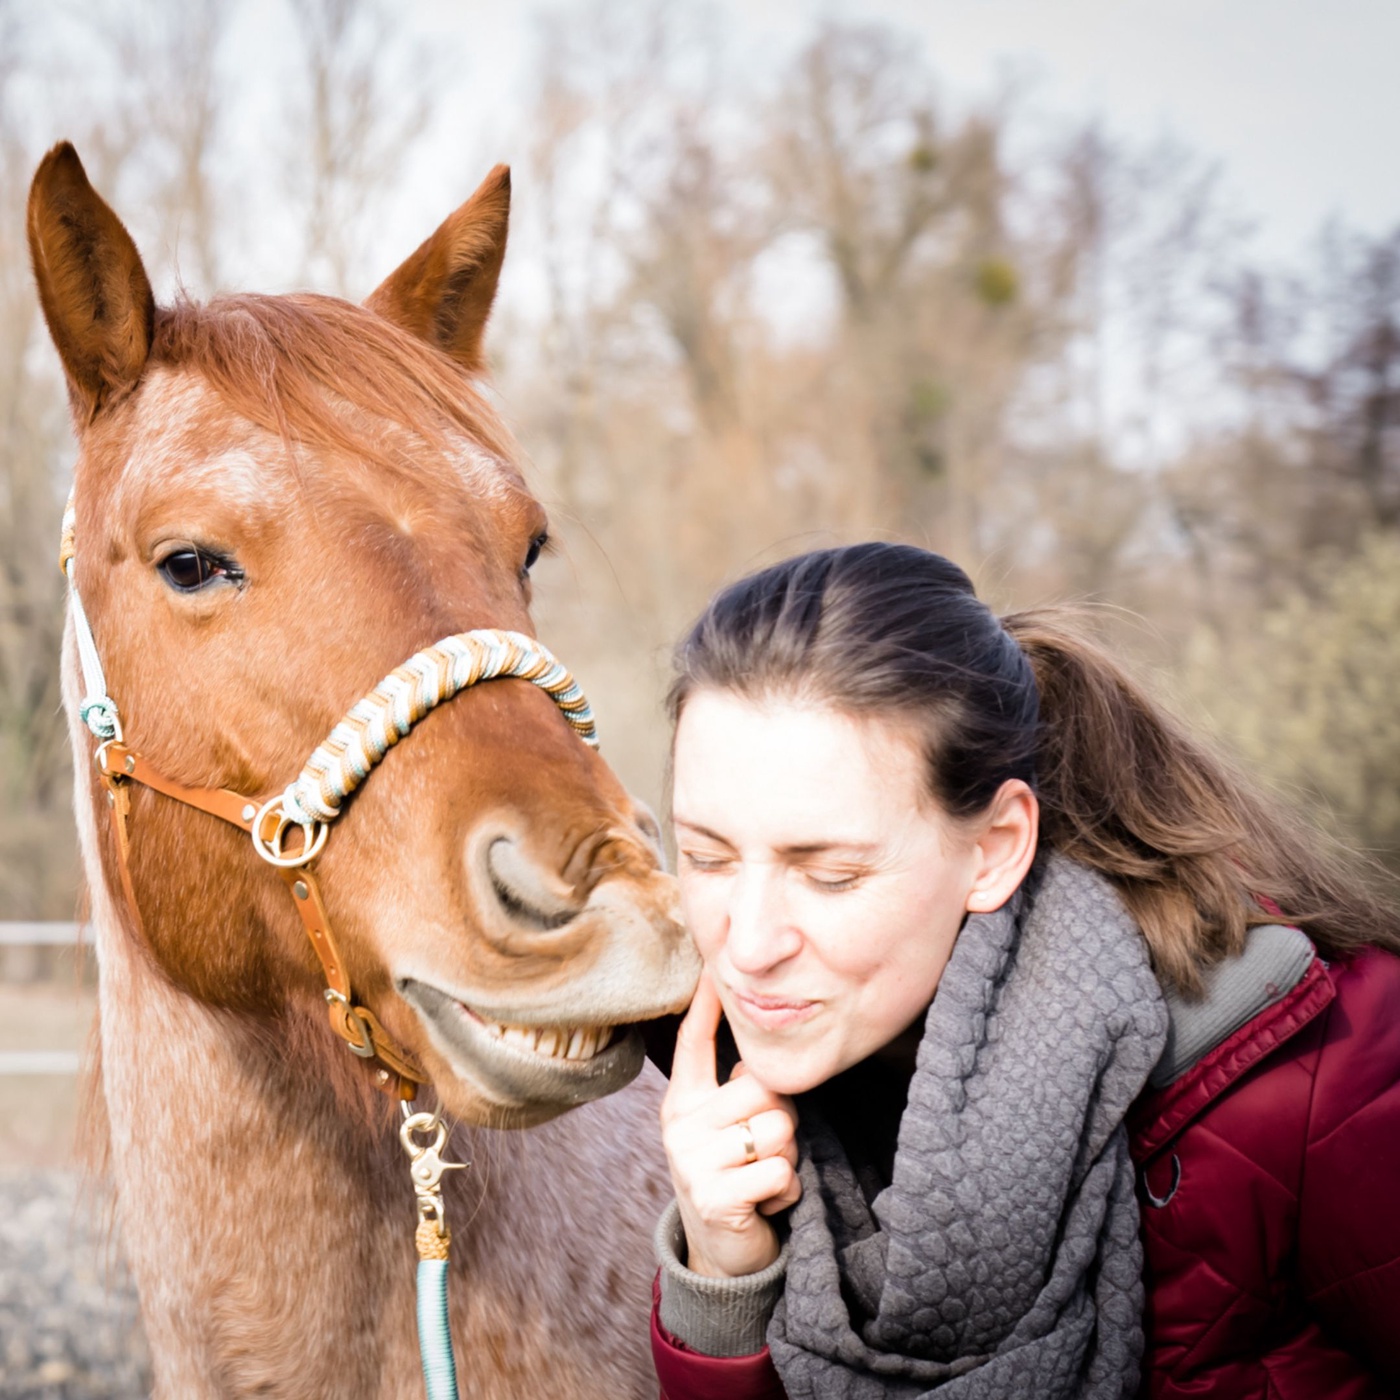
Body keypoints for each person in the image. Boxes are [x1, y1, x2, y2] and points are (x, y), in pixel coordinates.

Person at [646, 543, 1400, 1400]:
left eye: (831, 877)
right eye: (707, 857)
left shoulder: (1325, 1071)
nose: (747, 945)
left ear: (996, 848)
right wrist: (721, 1277)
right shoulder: (722, 1116)